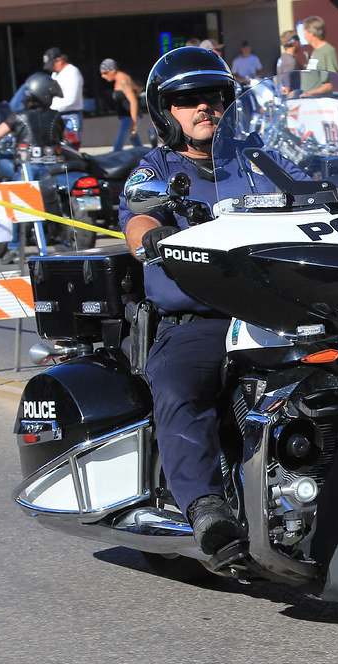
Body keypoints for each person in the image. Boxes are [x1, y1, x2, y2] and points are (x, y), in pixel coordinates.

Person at [118, 46, 244, 555]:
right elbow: (138, 217)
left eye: (213, 96)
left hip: (277, 308)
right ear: (166, 111)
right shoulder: (156, 168)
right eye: (188, 100)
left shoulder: (259, 160)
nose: (204, 107)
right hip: (201, 317)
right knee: (179, 385)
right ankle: (205, 507)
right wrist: (149, 236)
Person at [0, 72, 65, 263]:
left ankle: (14, 248)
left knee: (16, 204)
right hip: (52, 168)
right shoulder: (57, 116)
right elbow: (62, 138)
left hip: (28, 169)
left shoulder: (18, 116)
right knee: (55, 201)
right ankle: (62, 239)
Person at [43, 47, 84, 148]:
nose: (50, 68)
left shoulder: (72, 72)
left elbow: (71, 99)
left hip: (70, 116)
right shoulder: (55, 75)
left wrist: (51, 108)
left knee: (71, 146)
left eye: (52, 65)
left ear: (59, 61)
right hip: (57, 115)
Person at [99, 58, 143, 151]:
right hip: (127, 117)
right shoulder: (121, 79)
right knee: (136, 143)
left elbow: (133, 101)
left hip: (129, 118)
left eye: (105, 73)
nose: (103, 76)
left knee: (117, 147)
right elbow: (137, 89)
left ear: (112, 70)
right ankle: (148, 158)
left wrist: (133, 123)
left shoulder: (123, 80)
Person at [299, 16, 338, 97]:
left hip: (320, 101)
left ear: (311, 33)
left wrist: (310, 93)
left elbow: (332, 82)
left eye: (305, 31)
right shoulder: (316, 51)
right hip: (308, 101)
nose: (304, 35)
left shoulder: (328, 51)